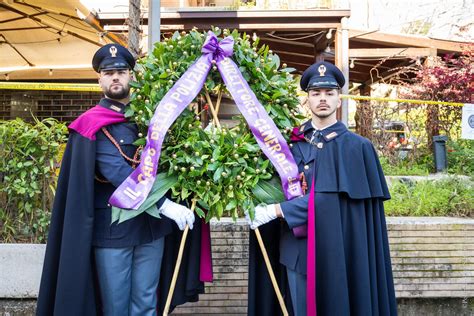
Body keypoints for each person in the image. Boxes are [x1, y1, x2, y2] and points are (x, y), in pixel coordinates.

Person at [37, 44, 207, 316]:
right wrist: (166, 206)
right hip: (113, 231)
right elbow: (117, 172)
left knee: (147, 303)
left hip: (152, 228)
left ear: (131, 76)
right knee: (116, 307)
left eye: (121, 71)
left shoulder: (149, 119)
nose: (115, 77)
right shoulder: (91, 124)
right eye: (108, 73)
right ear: (99, 79)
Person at [247, 61, 397, 315]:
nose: (323, 99)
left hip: (342, 250)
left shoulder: (357, 147)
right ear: (307, 100)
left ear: (340, 99)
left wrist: (277, 210)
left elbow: (332, 201)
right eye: (316, 94)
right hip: (297, 251)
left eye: (329, 93)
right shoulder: (291, 145)